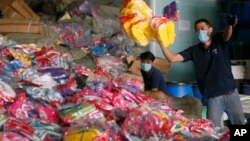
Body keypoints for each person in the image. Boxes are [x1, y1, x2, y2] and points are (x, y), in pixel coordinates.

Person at [158, 16, 245, 126]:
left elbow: (227, 35)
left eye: (203, 28)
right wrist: (161, 43)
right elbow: (172, 58)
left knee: (240, 127)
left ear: (210, 29)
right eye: (197, 30)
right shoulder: (194, 51)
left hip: (231, 94)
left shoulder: (219, 41)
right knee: (213, 130)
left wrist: (230, 24)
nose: (200, 32)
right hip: (213, 98)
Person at [140, 51, 202, 119]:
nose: (145, 64)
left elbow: (154, 91)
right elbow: (146, 84)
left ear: (152, 62)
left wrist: (143, 94)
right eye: (143, 61)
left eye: (148, 62)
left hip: (161, 96)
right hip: (152, 93)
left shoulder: (155, 73)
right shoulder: (143, 71)